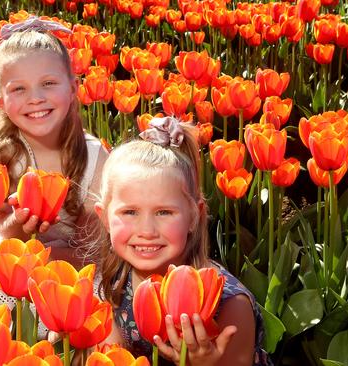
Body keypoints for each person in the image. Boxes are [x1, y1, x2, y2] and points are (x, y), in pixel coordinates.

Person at [93, 117, 271, 365]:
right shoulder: (111, 284)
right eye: (129, 212)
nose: (146, 230)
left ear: (194, 217)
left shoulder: (229, 305)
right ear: (104, 218)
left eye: (164, 212)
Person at [0, 17, 108, 309]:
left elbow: (92, 252)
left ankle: (66, 348)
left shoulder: (95, 158)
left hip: (65, 260)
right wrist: (18, 225)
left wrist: (38, 261)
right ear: (0, 100)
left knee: (99, 289)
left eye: (49, 83)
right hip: (2, 241)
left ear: (73, 88)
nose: (36, 99)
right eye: (19, 89)